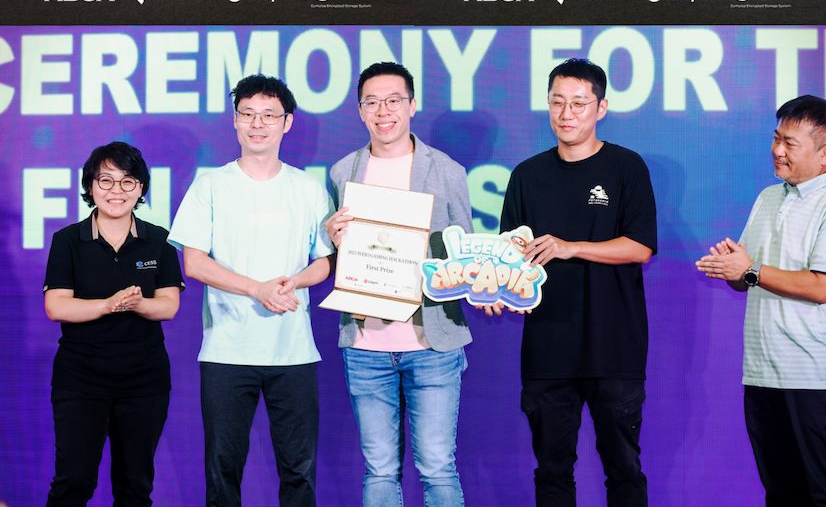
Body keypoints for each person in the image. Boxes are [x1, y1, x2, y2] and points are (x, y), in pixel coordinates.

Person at [168, 73, 335, 507]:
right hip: (227, 351)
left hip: (293, 352)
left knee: (299, 471)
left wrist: (295, 281)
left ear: (288, 122)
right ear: (235, 120)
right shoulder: (210, 185)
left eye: (269, 115)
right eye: (248, 114)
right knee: (223, 471)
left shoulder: (308, 188)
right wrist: (256, 289)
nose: (257, 124)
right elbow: (194, 262)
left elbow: (325, 261)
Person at [498, 59, 657, 507]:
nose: (566, 114)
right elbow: (509, 256)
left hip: (614, 348)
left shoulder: (627, 167)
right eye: (557, 102)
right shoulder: (526, 175)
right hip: (547, 350)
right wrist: (494, 287)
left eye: (579, 103)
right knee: (551, 473)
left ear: (601, 107)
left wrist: (571, 247)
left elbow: (640, 247)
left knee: (624, 470)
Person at [325, 61, 473, 507]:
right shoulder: (342, 172)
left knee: (438, 468)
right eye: (371, 102)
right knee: (379, 471)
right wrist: (333, 237)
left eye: (393, 100)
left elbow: (463, 254)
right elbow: (336, 257)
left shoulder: (447, 171)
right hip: (365, 346)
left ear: (412, 105)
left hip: (432, 344)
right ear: (360, 110)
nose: (382, 111)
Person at [696, 94, 826, 506]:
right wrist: (733, 270)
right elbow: (749, 278)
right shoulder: (769, 197)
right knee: (781, 494)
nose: (777, 150)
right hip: (762, 373)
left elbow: (821, 286)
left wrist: (750, 270)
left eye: (790, 143)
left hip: (813, 378)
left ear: (824, 154)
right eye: (776, 138)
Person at [43, 142, 183, 507]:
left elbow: (169, 305)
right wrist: (108, 305)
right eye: (105, 180)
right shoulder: (67, 240)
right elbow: (56, 306)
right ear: (90, 186)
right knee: (73, 482)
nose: (116, 191)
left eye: (127, 181)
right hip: (81, 378)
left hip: (144, 379)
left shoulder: (160, 240)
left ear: (140, 188)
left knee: (135, 485)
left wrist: (139, 304)